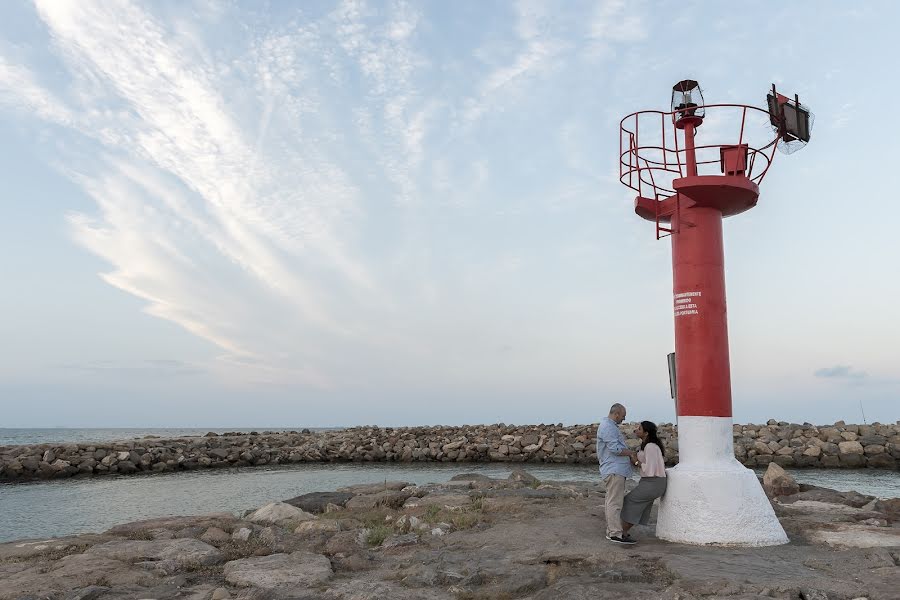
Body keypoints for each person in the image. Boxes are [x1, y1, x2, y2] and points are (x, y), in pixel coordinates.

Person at [596, 403, 637, 544]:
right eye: (623, 416)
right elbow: (615, 449)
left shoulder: (609, 426)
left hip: (614, 469)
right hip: (614, 470)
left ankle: (613, 531)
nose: (623, 419)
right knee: (615, 502)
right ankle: (615, 533)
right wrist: (631, 453)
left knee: (612, 501)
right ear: (617, 414)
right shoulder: (608, 427)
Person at [620, 421, 668, 541]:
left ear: (646, 433)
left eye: (639, 429)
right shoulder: (648, 445)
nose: (636, 430)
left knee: (628, 501)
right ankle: (623, 532)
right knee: (639, 507)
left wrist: (636, 461)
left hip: (653, 482)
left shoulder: (650, 446)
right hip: (650, 482)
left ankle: (620, 532)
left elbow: (650, 469)